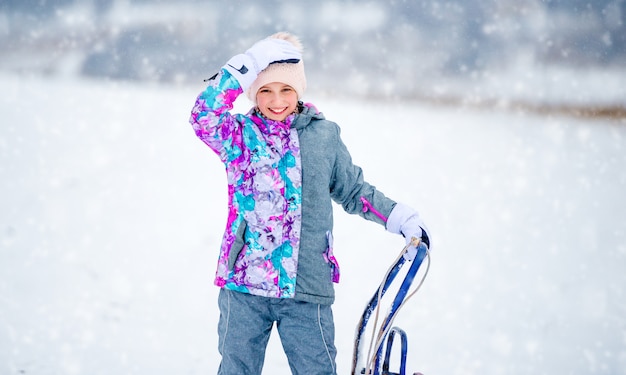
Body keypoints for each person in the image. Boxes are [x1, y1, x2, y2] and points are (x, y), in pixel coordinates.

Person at [188, 32, 430, 375]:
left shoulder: (323, 136)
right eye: (265, 90)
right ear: (253, 93)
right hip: (244, 284)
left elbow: (353, 191)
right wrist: (246, 66)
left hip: (306, 288)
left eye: (286, 90)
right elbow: (203, 115)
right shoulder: (238, 135)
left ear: (299, 91)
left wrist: (398, 217)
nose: (276, 100)